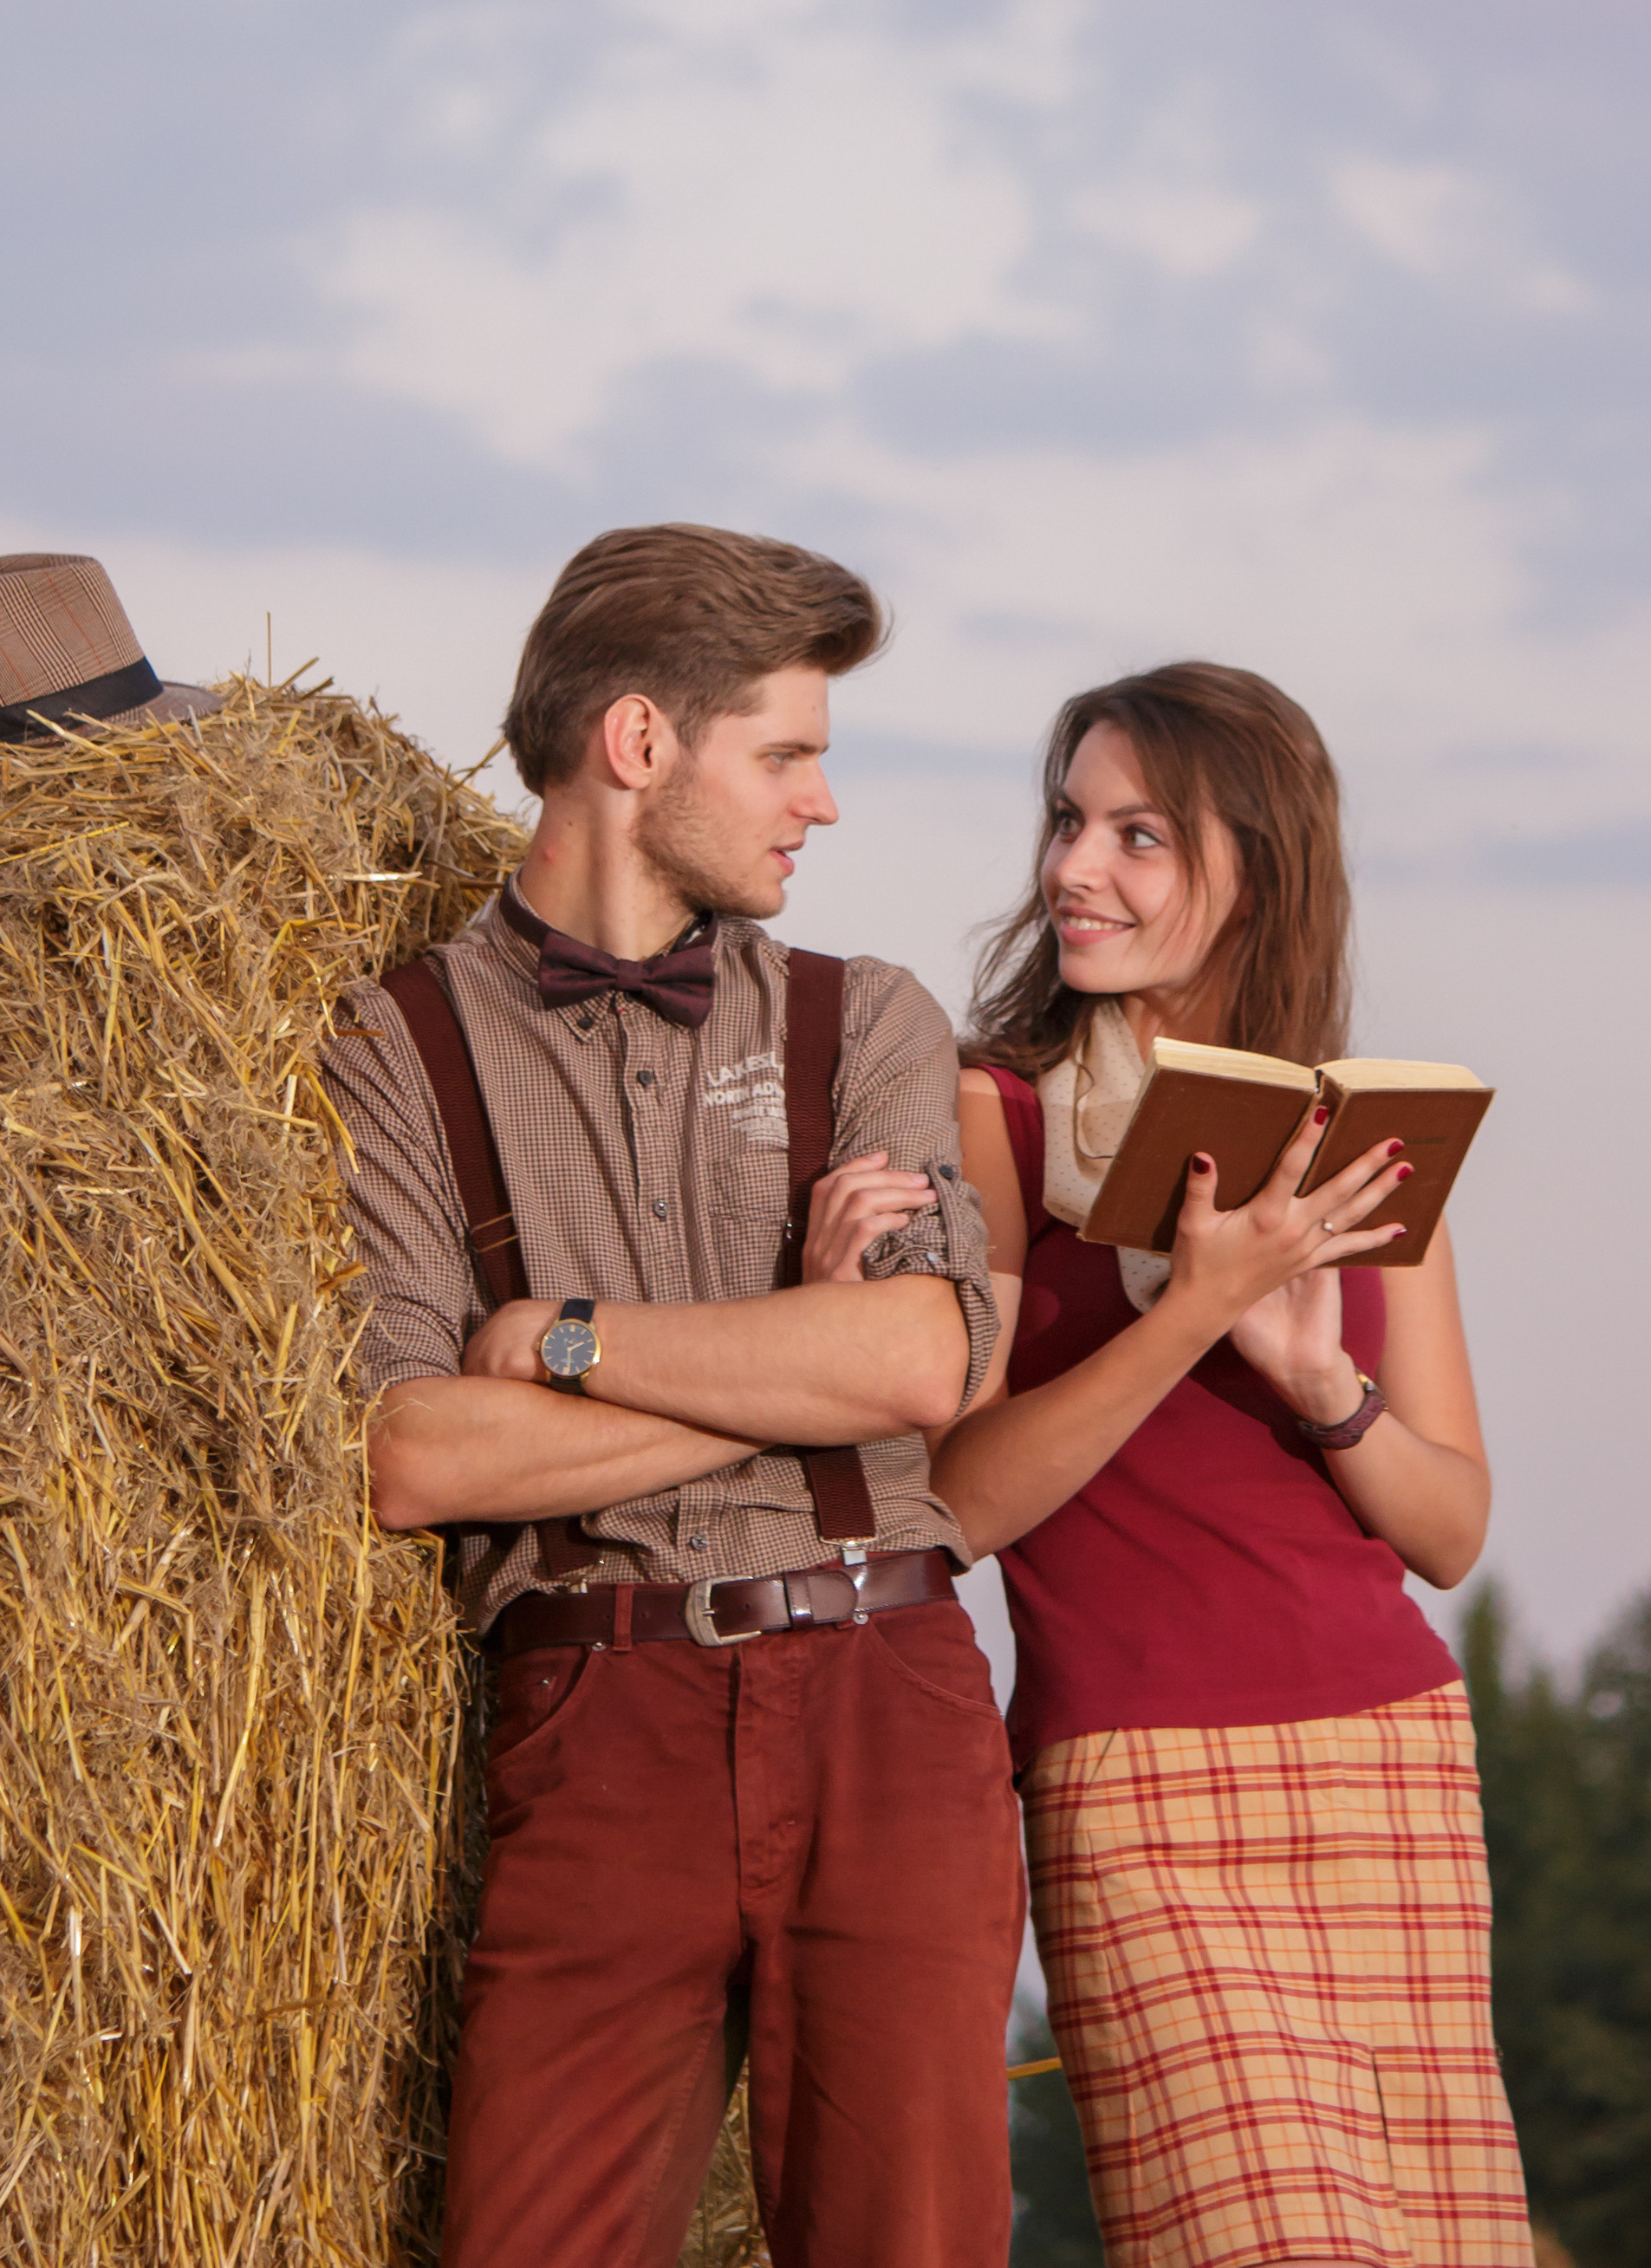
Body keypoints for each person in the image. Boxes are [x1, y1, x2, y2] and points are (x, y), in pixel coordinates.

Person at [322, 524, 1025, 2268]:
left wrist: (561, 1340)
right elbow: (415, 1454)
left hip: (882, 1691)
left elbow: (917, 1362)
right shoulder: (395, 1048)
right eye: (785, 755)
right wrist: (797, 1346)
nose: (821, 803)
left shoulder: (868, 1020)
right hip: (593, 1711)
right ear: (639, 743)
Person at [926, 660, 1535, 2268]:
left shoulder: (1365, 1145)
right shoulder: (993, 1117)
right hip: (1137, 1787)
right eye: (1069, 823)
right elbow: (957, 1501)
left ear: (1255, 873)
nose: (1075, 868)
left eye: (1139, 836)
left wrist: (1323, 1382)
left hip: (1391, 1764)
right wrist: (1194, 1308)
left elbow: (1452, 1527)